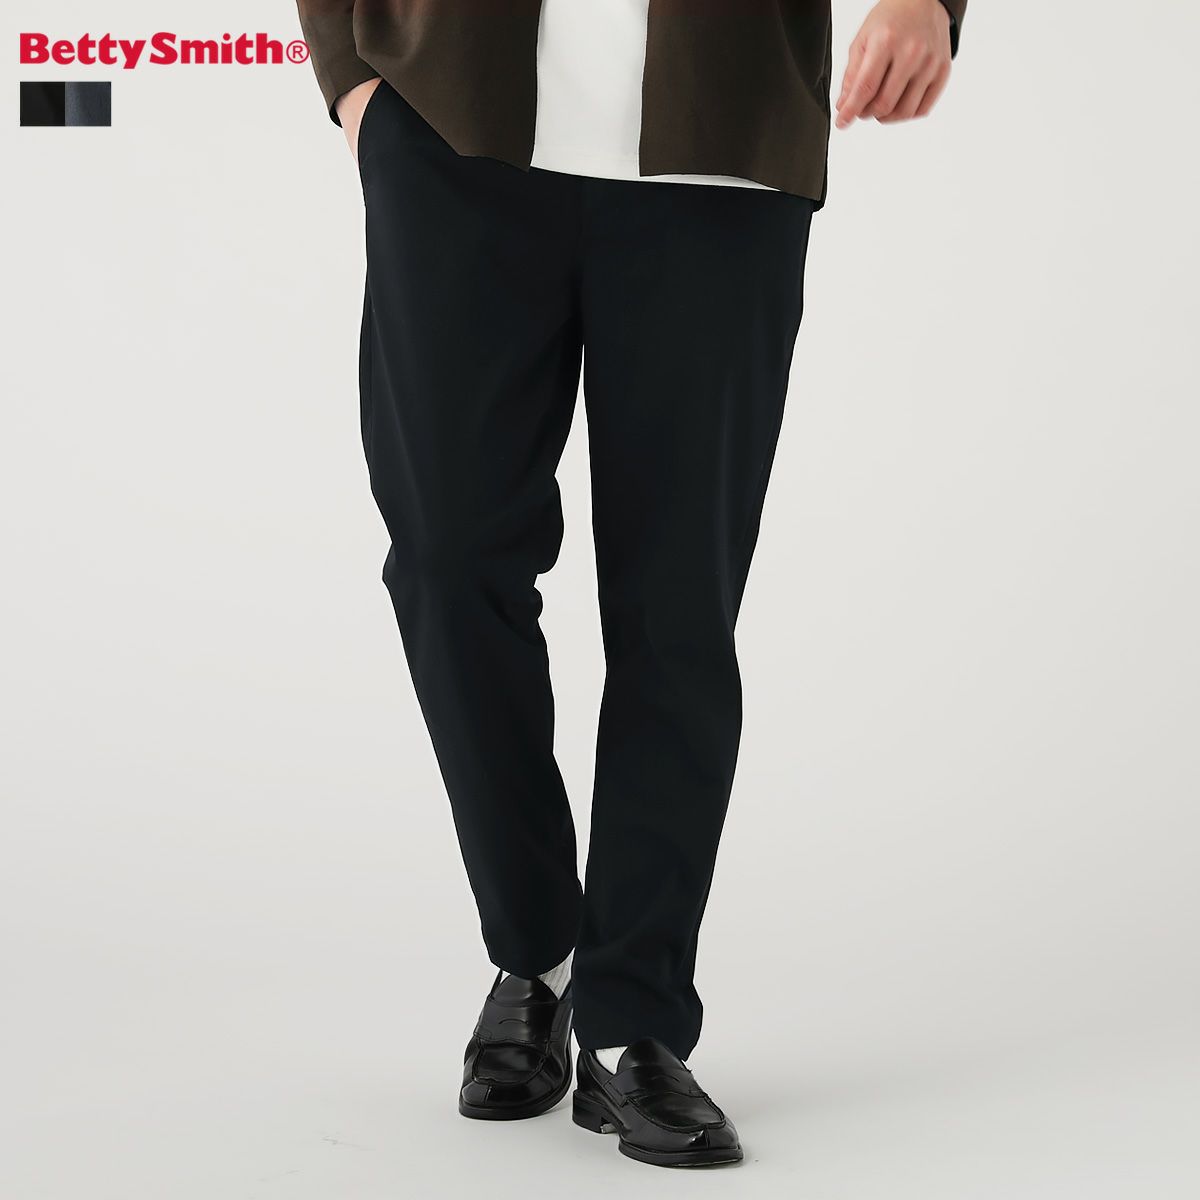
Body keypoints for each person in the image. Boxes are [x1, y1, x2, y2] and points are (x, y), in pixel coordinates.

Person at [295, 0, 966, 1169]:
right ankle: (540, 950)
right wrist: (352, 72)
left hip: (721, 146)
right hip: (451, 126)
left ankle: (632, 1017)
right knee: (448, 560)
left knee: (678, 605)